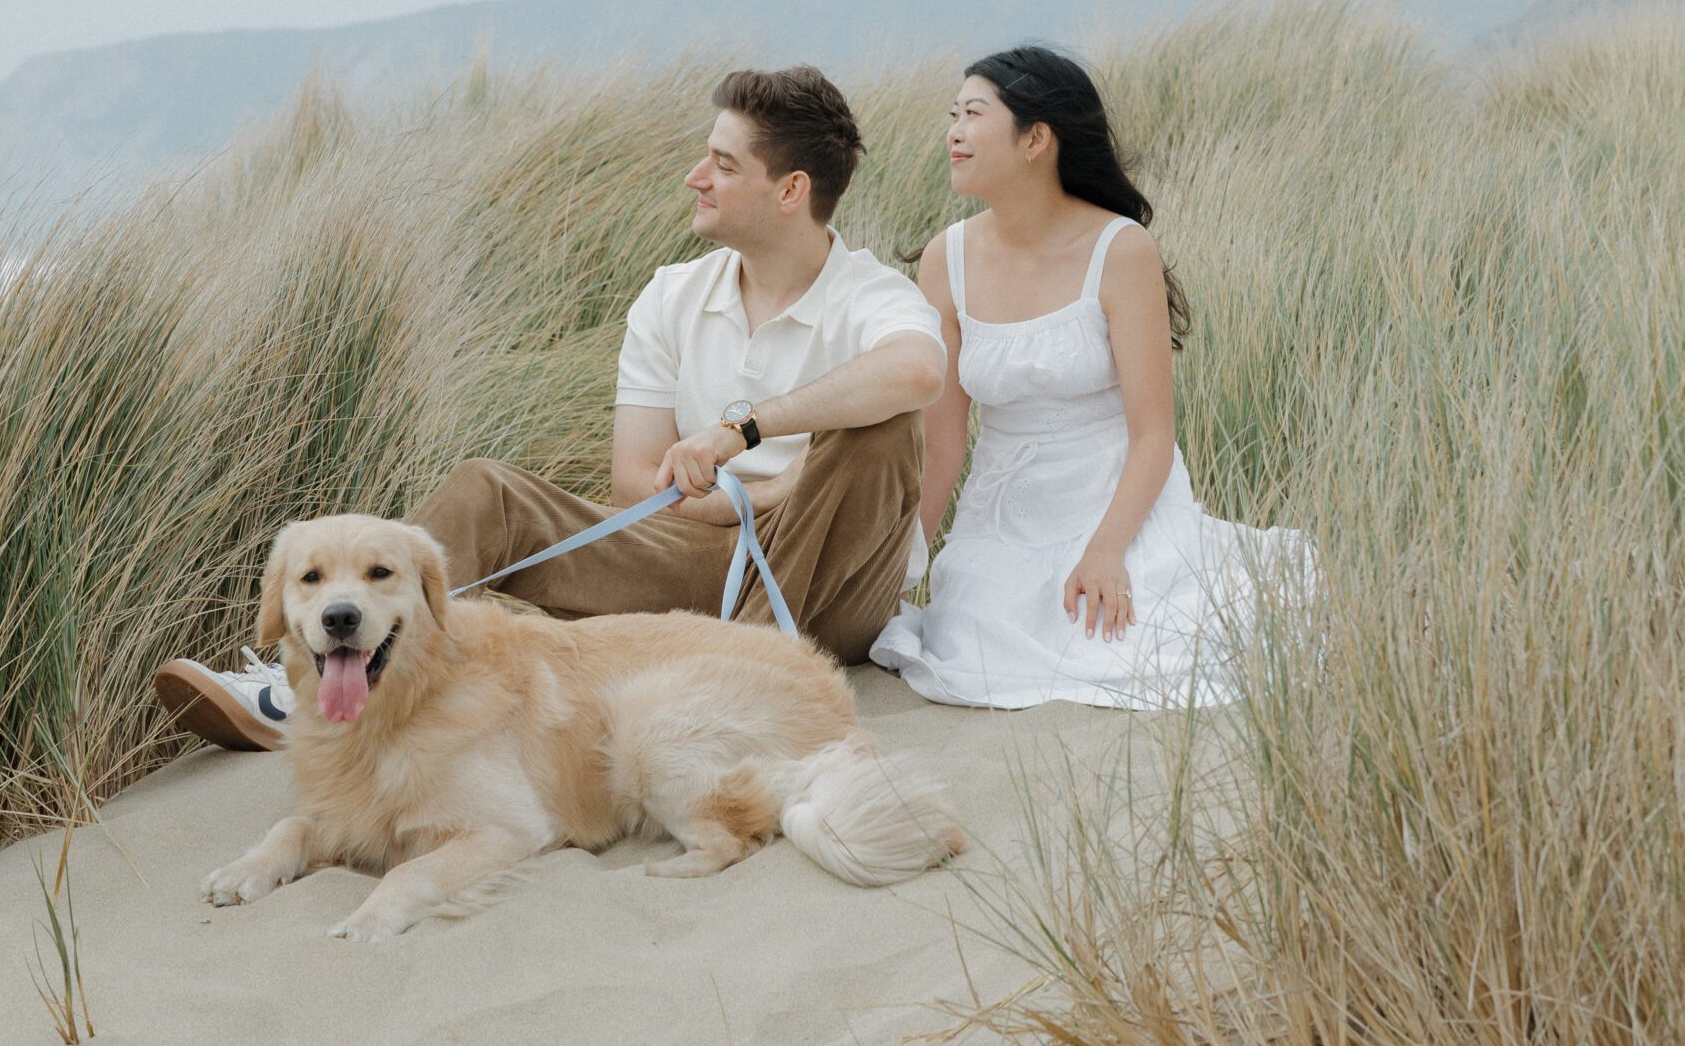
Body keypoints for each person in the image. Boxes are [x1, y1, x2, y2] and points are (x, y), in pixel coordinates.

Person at [155, 64, 948, 749]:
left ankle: (737, 672)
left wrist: (744, 432)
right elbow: (637, 487)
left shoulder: (869, 295)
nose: (693, 177)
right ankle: (322, 678)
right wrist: (765, 494)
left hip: (834, 593)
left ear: (791, 191)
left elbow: (917, 372)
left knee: (877, 427)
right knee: (486, 490)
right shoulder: (673, 295)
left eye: (721, 163)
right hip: (698, 558)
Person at [870, 44, 1302, 709]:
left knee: (1142, 648)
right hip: (1003, 518)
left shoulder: (1120, 249)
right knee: (972, 653)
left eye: (974, 115)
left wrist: (1107, 552)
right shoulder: (945, 259)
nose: (953, 132)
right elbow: (944, 445)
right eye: (952, 114)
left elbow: (1154, 434)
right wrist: (901, 568)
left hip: (1116, 502)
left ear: (1037, 138)